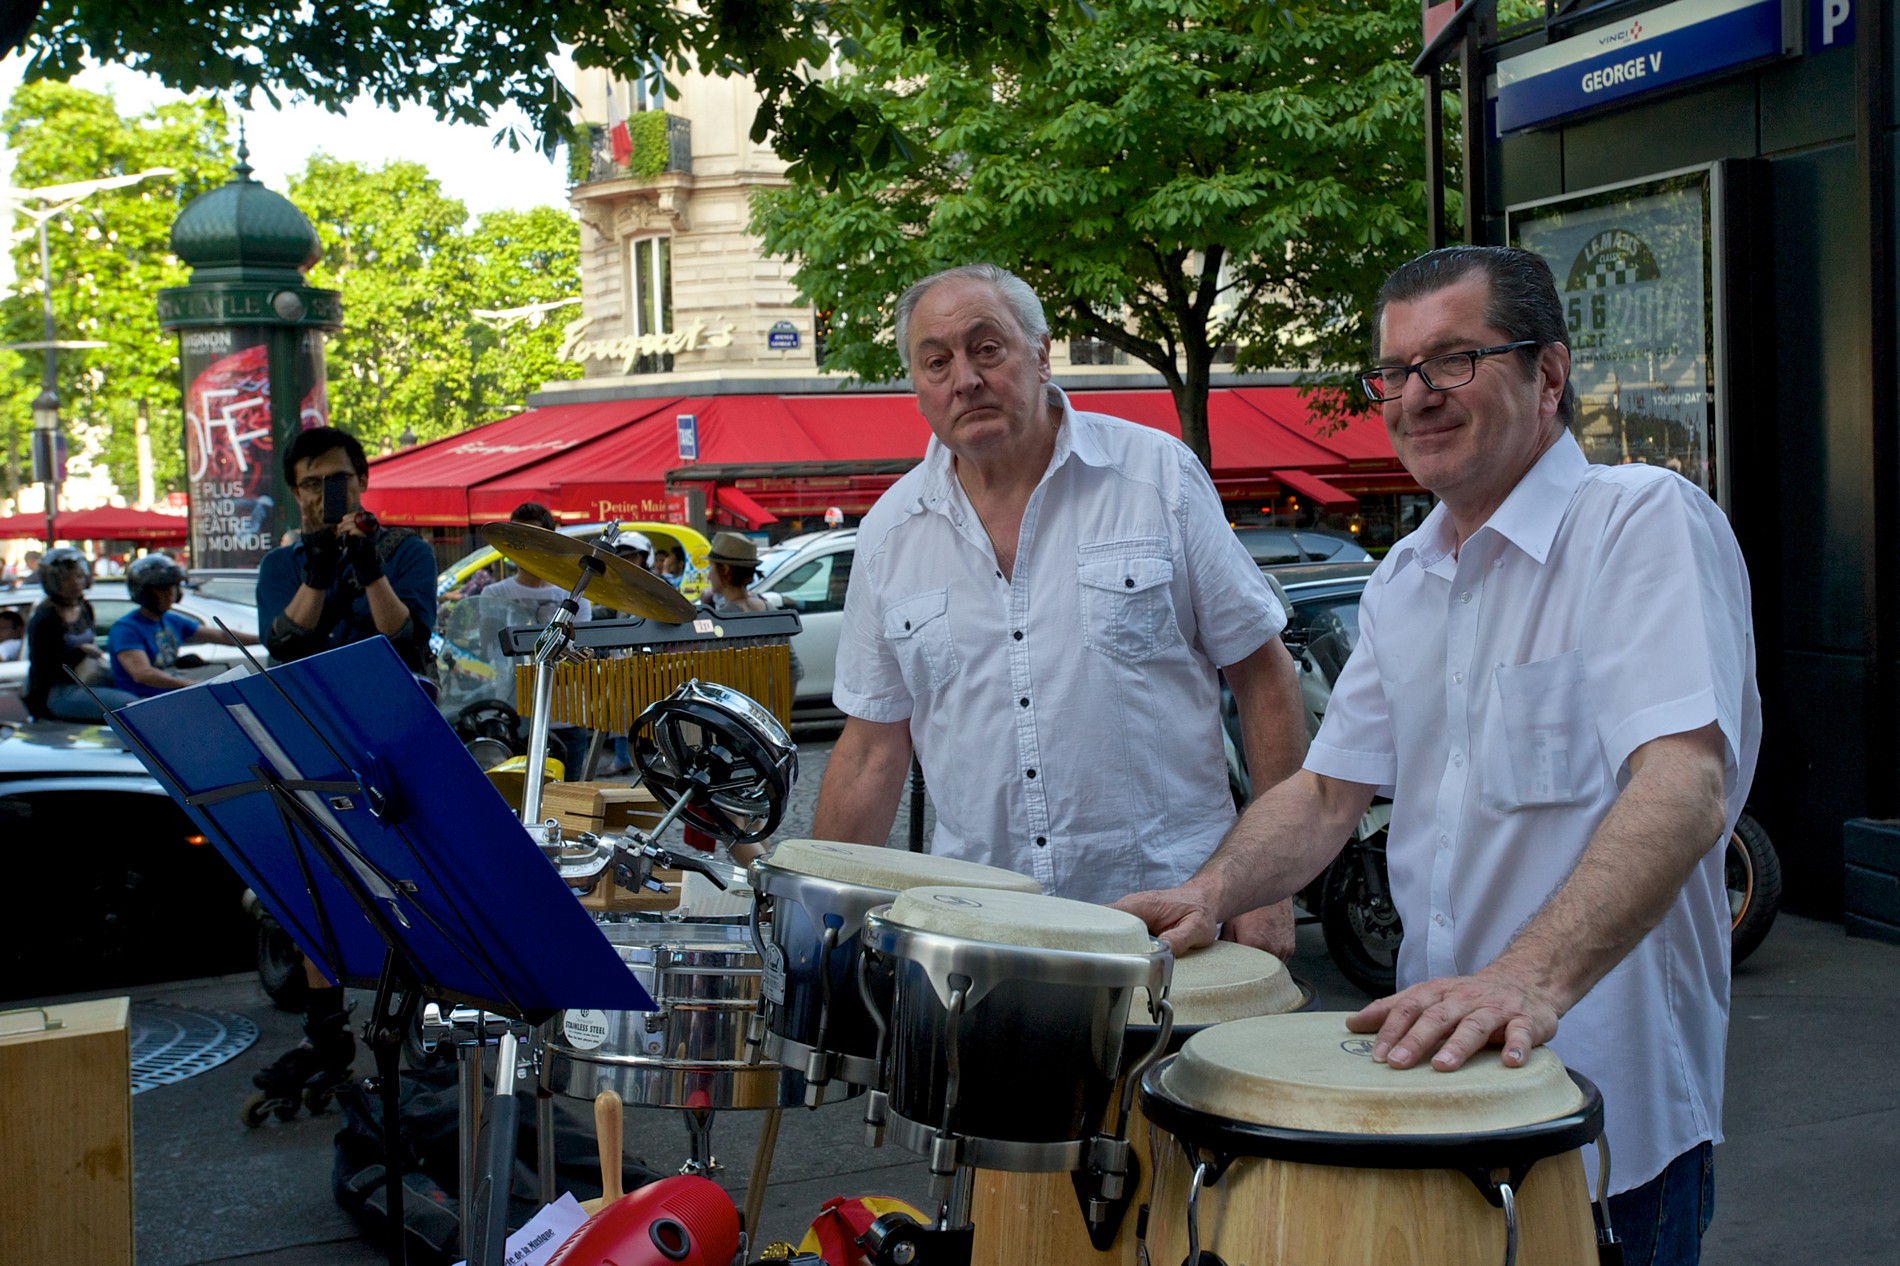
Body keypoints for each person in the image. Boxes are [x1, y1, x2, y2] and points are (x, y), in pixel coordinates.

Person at [1116, 245, 1760, 1266]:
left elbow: (1684, 783)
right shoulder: (1403, 580)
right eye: (1395, 371)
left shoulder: (1639, 522)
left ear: (1546, 375)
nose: (1416, 395)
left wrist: (1525, 982)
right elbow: (1329, 794)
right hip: (1424, 1109)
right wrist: (1211, 889)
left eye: (1454, 359)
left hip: (1599, 1135)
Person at [809, 263, 1307, 953]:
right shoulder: (891, 533)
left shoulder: (1154, 476)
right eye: (936, 362)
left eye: (988, 348)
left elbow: (1264, 676)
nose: (966, 378)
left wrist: (1268, 886)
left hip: (1172, 923)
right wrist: (815, 928)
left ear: (1041, 353)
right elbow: (870, 750)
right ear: (917, 388)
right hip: (982, 941)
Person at [249, 427, 438, 1114]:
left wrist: (369, 567)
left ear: (360, 482)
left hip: (395, 734)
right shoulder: (284, 565)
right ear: (294, 492)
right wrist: (319, 575)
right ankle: (327, 1037)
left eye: (337, 479)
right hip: (312, 738)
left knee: (411, 881)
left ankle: (416, 1021)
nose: (323, 493)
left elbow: (405, 637)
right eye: (309, 482)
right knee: (315, 883)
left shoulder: (405, 550)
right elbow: (284, 641)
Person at [106, 554, 256, 697]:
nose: (171, 594)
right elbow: (142, 673)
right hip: (142, 702)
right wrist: (192, 685)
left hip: (171, 696)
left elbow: (222, 636)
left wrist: (263, 638)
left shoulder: (172, 620)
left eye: (173, 587)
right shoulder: (127, 629)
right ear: (145, 592)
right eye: (163, 589)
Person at [23, 548, 137, 721]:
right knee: (129, 705)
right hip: (58, 692)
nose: (75, 583)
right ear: (52, 582)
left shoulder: (85, 608)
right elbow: (45, 668)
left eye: (78, 576)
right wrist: (81, 651)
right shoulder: (45, 618)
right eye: (66, 578)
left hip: (87, 680)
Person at [703, 531, 768, 613]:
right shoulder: (770, 608)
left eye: (711, 567)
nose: (708, 576)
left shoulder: (722, 618)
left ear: (725, 570)